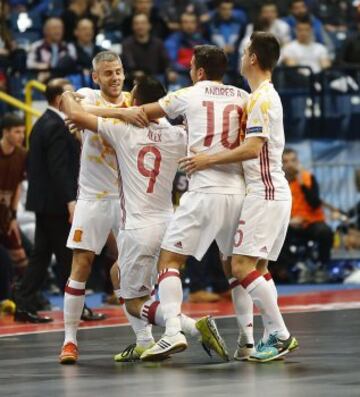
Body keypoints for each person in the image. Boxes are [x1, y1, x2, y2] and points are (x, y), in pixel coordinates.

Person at [61, 75, 228, 363]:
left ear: (135, 104)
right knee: (118, 274)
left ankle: (190, 328)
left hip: (137, 227)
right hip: (168, 223)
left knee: (134, 300)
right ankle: (143, 341)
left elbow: (74, 114)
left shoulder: (121, 129)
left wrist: (67, 94)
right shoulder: (178, 136)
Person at [107, 44, 249, 361]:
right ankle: (250, 339)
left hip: (179, 203)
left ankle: (179, 330)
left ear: (198, 71)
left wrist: (100, 108)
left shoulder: (176, 100)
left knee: (163, 269)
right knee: (240, 269)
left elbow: (134, 114)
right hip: (234, 192)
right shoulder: (241, 97)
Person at [179, 32, 298, 363]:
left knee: (241, 265)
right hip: (263, 191)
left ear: (254, 59)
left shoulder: (262, 98)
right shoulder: (256, 95)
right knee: (254, 267)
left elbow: (253, 147)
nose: (242, 56)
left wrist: (207, 158)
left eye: (246, 51)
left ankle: (280, 334)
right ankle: (259, 337)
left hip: (265, 190)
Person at [58, 51, 132, 364]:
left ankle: (147, 337)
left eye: (118, 72)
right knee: (82, 262)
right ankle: (69, 340)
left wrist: (94, 117)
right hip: (93, 196)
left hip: (128, 197)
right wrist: (66, 95)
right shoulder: (87, 95)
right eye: (108, 73)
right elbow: (69, 106)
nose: (114, 78)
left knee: (134, 265)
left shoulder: (134, 99)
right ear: (95, 77)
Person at [13, 79, 79, 323]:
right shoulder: (56, 126)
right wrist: (70, 200)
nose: (77, 99)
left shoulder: (43, 122)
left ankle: (24, 302)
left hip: (45, 202)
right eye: (72, 95)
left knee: (42, 255)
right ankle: (76, 307)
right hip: (55, 204)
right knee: (68, 257)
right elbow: (58, 169)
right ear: (60, 99)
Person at [282, 148, 334, 272]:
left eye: (293, 160)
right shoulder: (280, 183)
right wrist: (289, 221)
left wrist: (301, 182)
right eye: (286, 161)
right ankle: (291, 267)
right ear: (281, 164)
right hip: (290, 224)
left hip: (312, 223)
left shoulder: (308, 178)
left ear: (298, 162)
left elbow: (315, 203)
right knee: (276, 233)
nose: (290, 164)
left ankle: (322, 266)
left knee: (325, 232)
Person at [0, 114, 27, 280]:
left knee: (20, 257)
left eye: (23, 132)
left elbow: (17, 186)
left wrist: (14, 216)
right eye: (17, 132)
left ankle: (20, 296)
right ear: (5, 132)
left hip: (6, 214)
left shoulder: (22, 154)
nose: (21, 136)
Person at [121, 13, 172, 83]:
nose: (140, 26)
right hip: (134, 79)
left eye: (143, 23)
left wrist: (170, 71)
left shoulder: (158, 43)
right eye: (137, 24)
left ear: (149, 26)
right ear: (132, 27)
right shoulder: (127, 44)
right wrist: (135, 72)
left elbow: (166, 61)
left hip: (156, 78)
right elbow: (129, 64)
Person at [165, 12, 207, 87]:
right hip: (180, 74)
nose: (189, 25)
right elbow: (171, 61)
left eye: (192, 22)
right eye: (185, 22)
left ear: (196, 24)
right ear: (180, 25)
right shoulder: (173, 40)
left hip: (198, 74)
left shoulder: (201, 40)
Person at [208, 0, 247, 73]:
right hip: (216, 65)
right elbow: (205, 41)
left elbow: (243, 39)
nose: (227, 12)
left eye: (230, 9)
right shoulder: (210, 24)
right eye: (224, 9)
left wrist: (235, 47)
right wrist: (218, 49)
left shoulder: (238, 23)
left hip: (235, 65)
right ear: (218, 9)